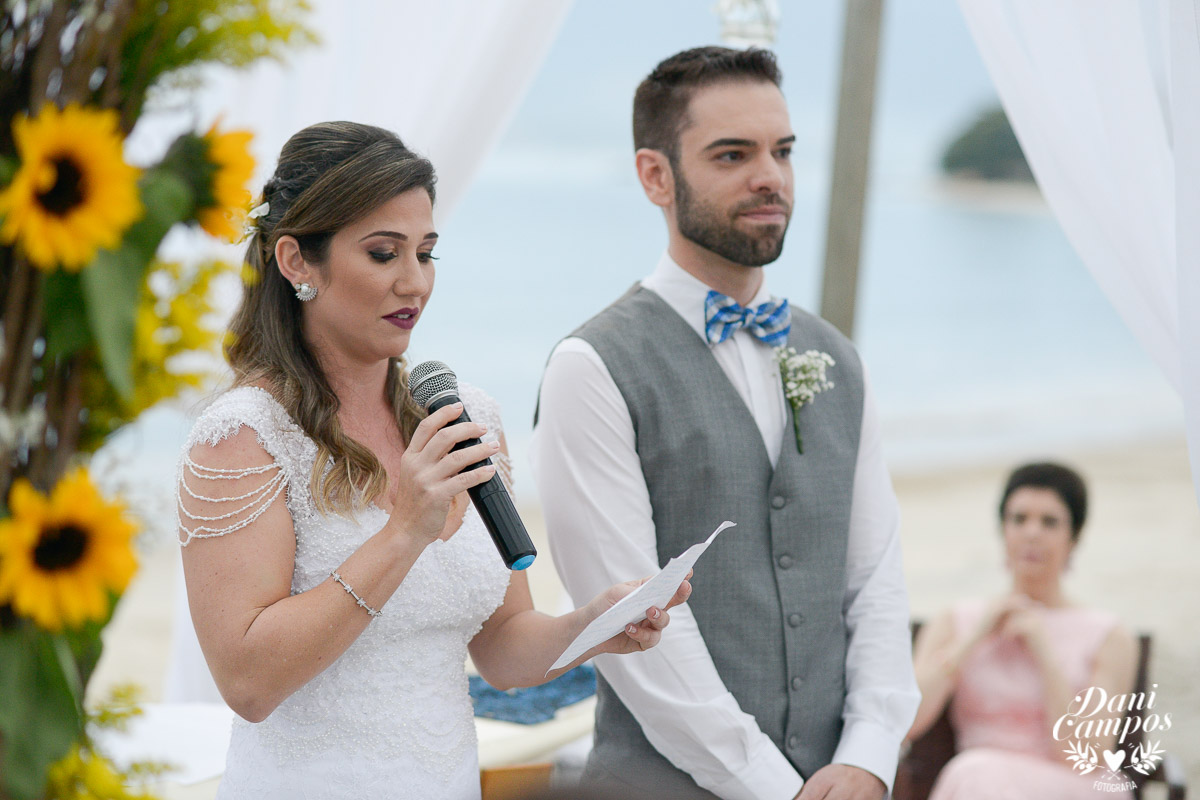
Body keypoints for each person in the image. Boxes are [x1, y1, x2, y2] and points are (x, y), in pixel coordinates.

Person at [174, 121, 691, 800]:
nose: (414, 282)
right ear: (298, 261)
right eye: (384, 254)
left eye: (427, 253)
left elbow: (503, 648)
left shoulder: (462, 416)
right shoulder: (242, 436)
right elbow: (247, 684)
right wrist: (404, 533)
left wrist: (592, 625)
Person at [530, 47, 920, 800]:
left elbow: (875, 582)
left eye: (783, 151)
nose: (769, 176)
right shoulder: (591, 366)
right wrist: (775, 787)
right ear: (655, 175)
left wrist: (869, 753)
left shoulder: (836, 356)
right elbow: (637, 627)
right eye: (732, 154)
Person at [908, 462, 1138, 799]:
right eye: (1019, 519)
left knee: (975, 772)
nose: (1032, 532)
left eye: (1049, 521)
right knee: (976, 772)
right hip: (978, 783)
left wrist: (1044, 653)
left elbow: (1085, 758)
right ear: (1003, 530)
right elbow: (907, 722)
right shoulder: (956, 621)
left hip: (1071, 786)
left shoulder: (1108, 636)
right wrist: (973, 639)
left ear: (1073, 537)